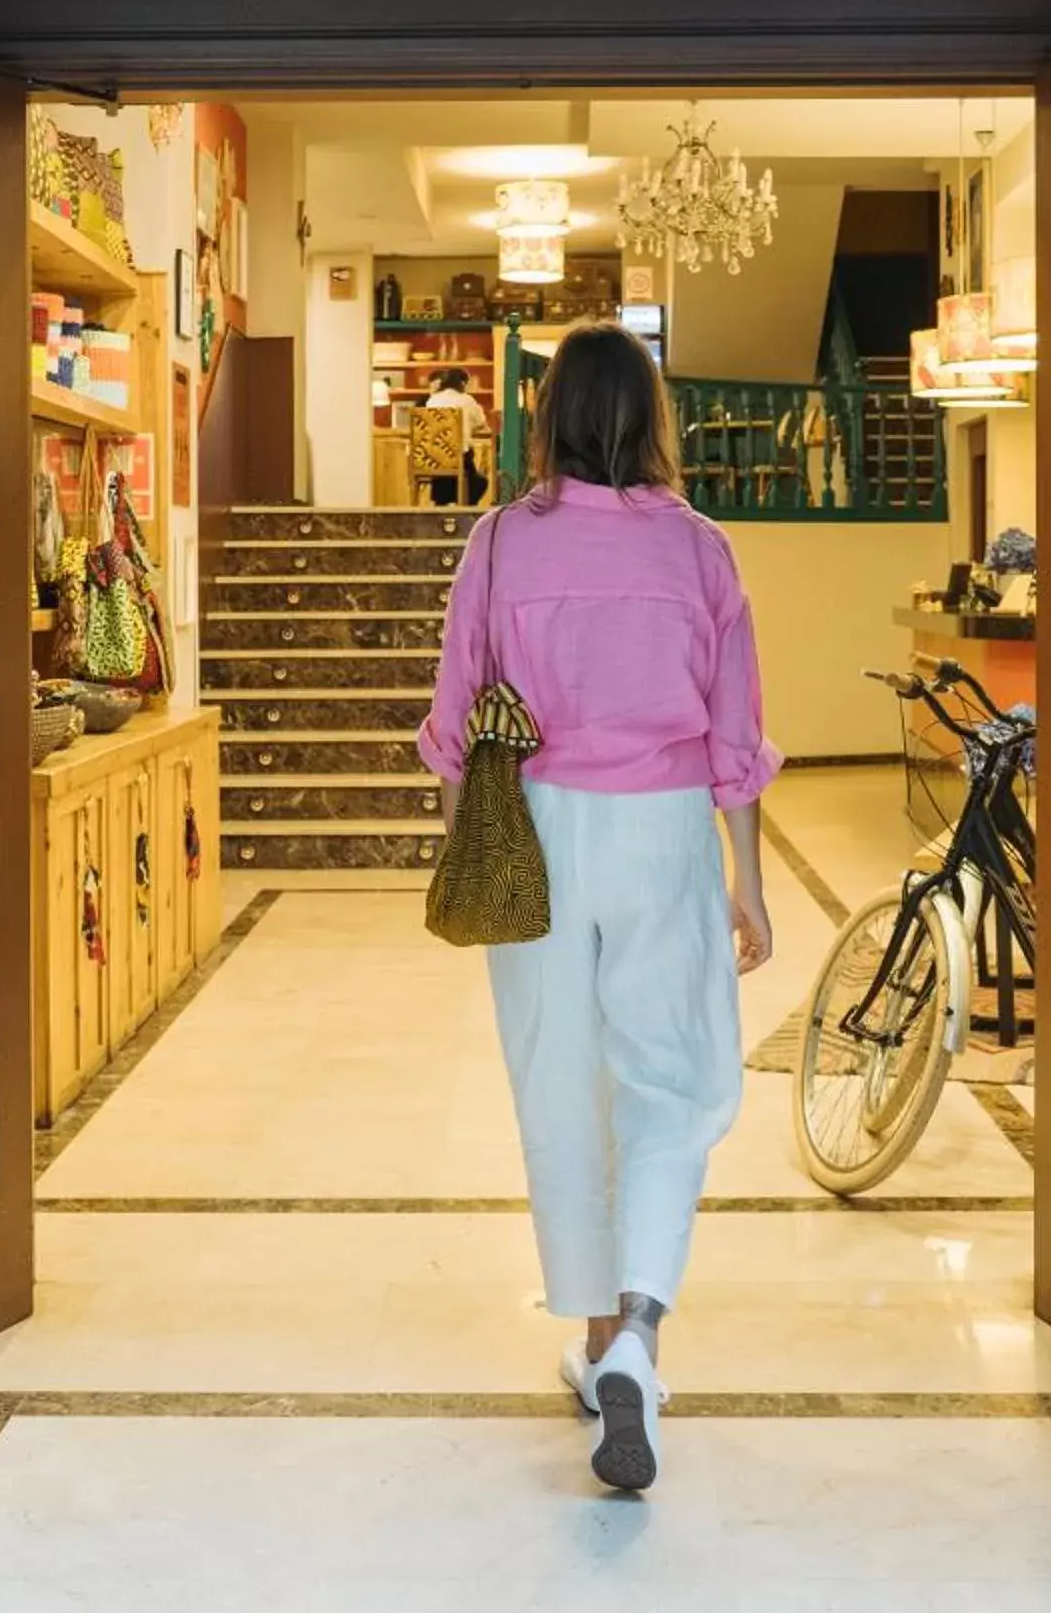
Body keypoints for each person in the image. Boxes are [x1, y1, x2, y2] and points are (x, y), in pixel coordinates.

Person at [417, 322, 780, 1493]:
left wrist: (470, 829)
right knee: (674, 1081)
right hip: (668, 827)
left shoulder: (497, 543)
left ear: (550, 417)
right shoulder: (702, 550)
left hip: (535, 830)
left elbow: (451, 719)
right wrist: (750, 878)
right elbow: (736, 733)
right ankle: (637, 1332)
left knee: (559, 1081)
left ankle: (590, 1342)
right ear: (656, 417)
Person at [419, 367, 491, 506]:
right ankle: (463, 507)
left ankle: (442, 502)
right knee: (478, 481)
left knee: (445, 469)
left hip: (432, 457)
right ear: (463, 383)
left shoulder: (431, 400)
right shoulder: (466, 400)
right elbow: (481, 423)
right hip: (458, 456)